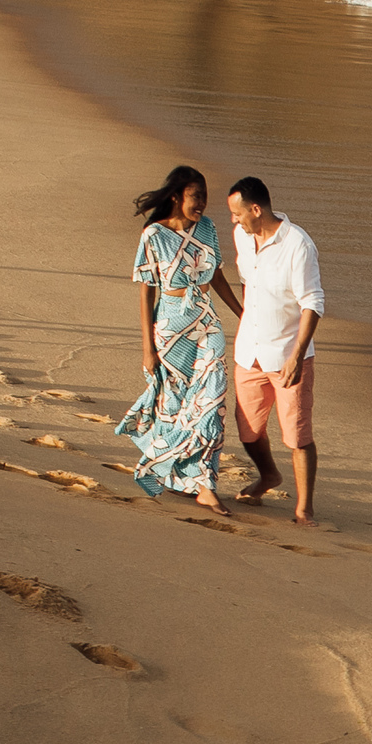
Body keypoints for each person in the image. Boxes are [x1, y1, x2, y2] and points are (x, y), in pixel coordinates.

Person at [115, 165, 243, 515]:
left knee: (211, 402)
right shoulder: (153, 235)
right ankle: (173, 471)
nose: (202, 203)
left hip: (206, 322)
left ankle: (205, 485)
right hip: (171, 329)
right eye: (195, 196)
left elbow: (215, 273)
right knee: (175, 406)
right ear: (176, 196)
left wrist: (241, 313)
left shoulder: (208, 228)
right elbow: (147, 293)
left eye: (204, 196)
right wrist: (148, 349)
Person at [227, 176, 325, 528]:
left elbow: (313, 301)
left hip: (287, 354)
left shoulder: (298, 245)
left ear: (257, 209)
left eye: (238, 214)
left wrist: (298, 355)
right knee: (249, 431)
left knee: (297, 435)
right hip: (248, 350)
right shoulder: (243, 236)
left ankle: (304, 508)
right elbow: (245, 280)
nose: (234, 222)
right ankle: (268, 477)